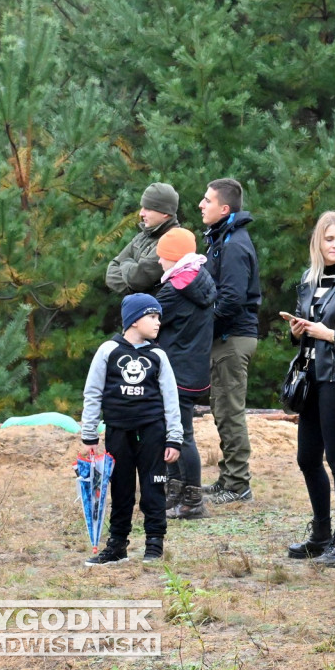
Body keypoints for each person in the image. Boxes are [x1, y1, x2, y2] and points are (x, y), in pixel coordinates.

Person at [285, 211, 335, 567]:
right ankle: (319, 532)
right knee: (306, 458)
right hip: (310, 379)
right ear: (317, 242)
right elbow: (306, 331)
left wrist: (327, 334)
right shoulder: (308, 279)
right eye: (329, 239)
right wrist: (298, 331)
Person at [80, 293, 182, 565]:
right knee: (121, 489)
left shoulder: (158, 355)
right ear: (135, 321)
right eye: (152, 316)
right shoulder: (108, 351)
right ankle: (117, 546)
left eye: (159, 316)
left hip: (153, 434)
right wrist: (89, 434)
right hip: (118, 432)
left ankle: (154, 544)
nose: (158, 322)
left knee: (153, 487)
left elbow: (171, 398)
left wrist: (174, 438)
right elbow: (92, 393)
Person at [199, 178, 261, 505]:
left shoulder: (234, 244)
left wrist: (202, 328)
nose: (200, 205)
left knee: (231, 411)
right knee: (222, 410)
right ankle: (228, 478)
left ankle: (238, 485)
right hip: (226, 337)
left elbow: (232, 299)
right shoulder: (222, 239)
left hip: (232, 338)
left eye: (207, 200)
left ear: (224, 208)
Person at [155, 227, 217, 520]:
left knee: (181, 436)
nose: (159, 262)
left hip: (177, 371)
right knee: (175, 432)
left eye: (162, 257)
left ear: (174, 257)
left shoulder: (175, 289)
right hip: (192, 370)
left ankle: (192, 500)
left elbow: (149, 321)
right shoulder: (200, 279)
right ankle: (175, 493)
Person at [106, 182, 181, 295]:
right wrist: (135, 287)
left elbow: (138, 280)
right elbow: (111, 272)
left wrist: (125, 263)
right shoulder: (143, 235)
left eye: (147, 209)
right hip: (139, 310)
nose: (141, 213)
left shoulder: (172, 240)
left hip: (158, 311)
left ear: (165, 212)